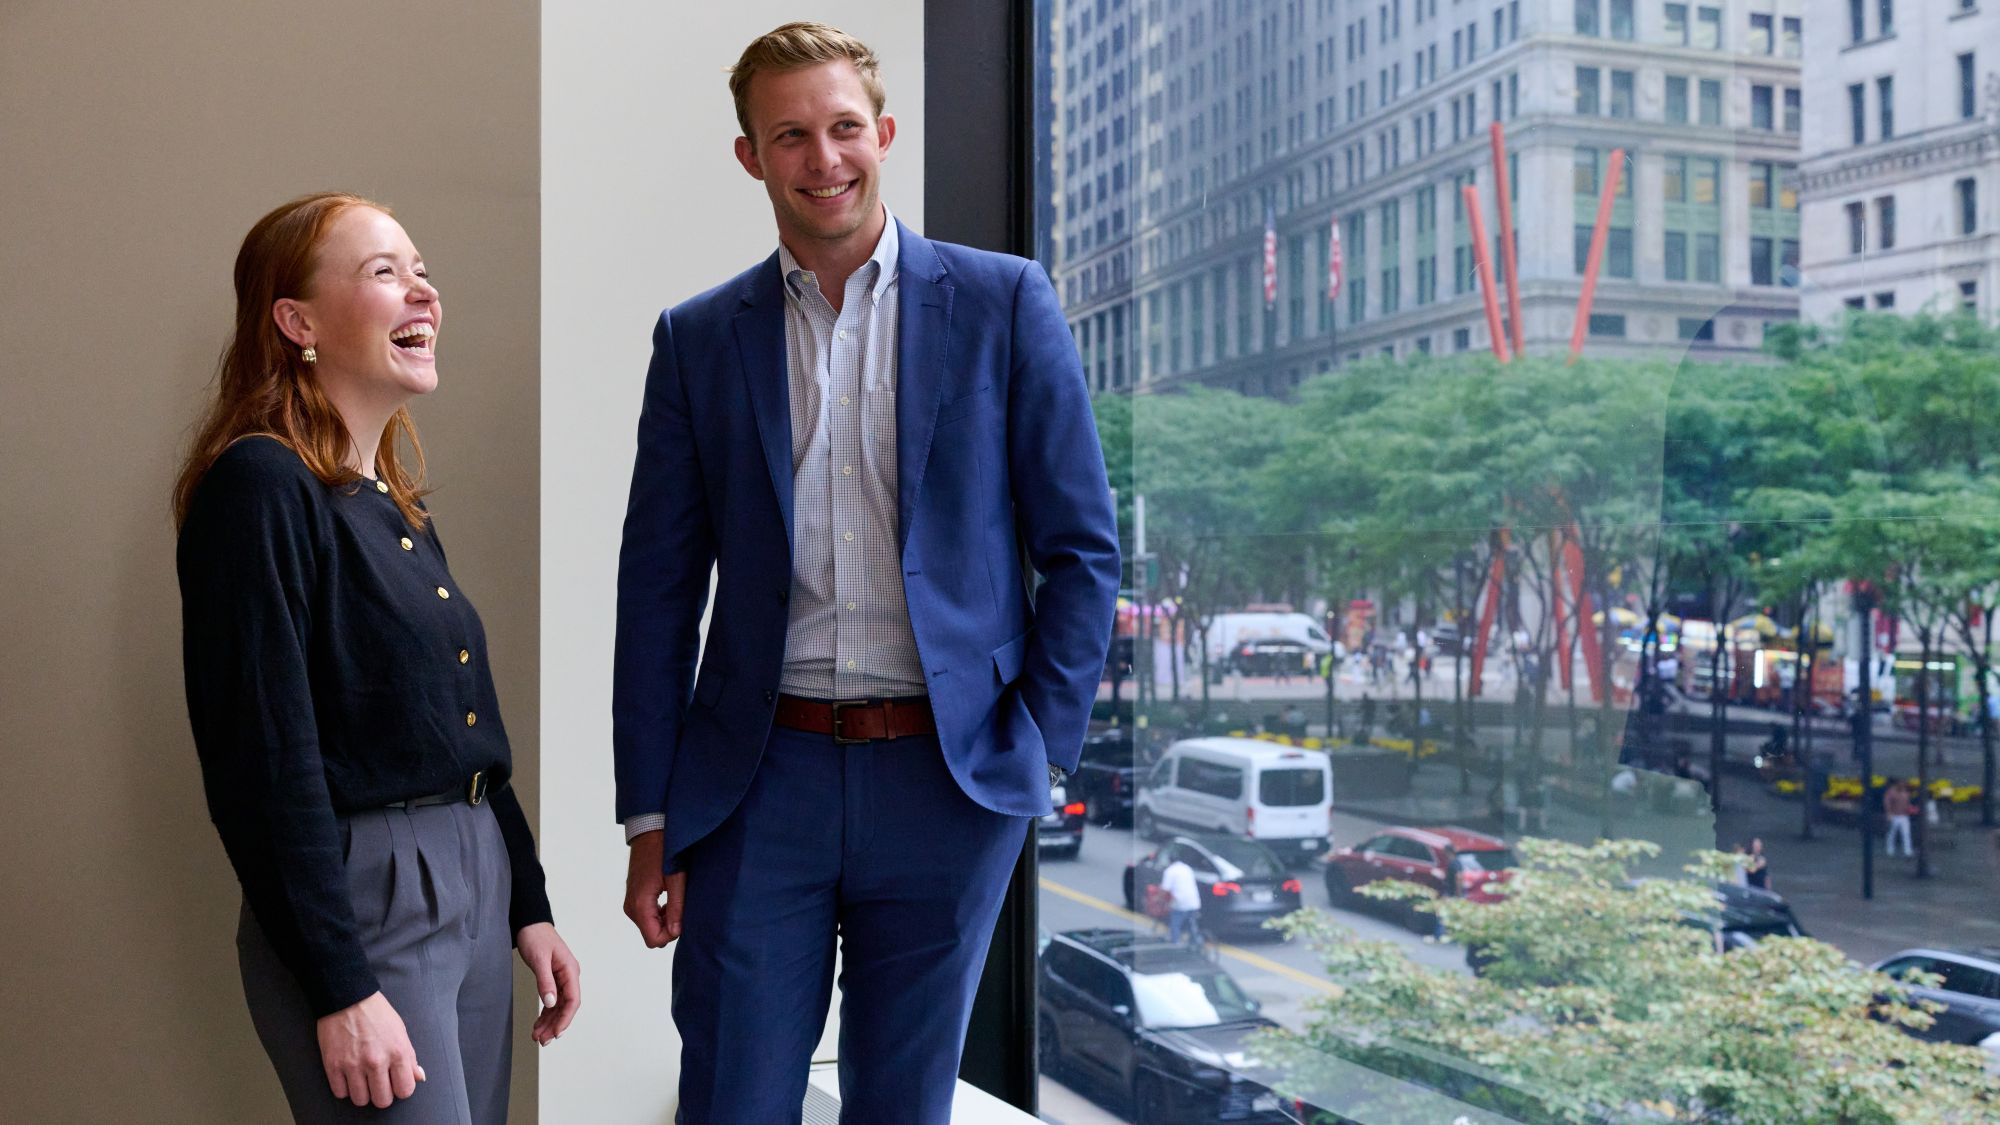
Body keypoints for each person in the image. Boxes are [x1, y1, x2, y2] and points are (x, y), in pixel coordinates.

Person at [611, 24, 1119, 1125]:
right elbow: (655, 593)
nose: (822, 157)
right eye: (789, 135)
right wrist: (649, 816)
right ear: (750, 156)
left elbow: (1081, 550)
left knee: (902, 1107)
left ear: (882, 135)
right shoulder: (697, 341)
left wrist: (1036, 742)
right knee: (731, 1101)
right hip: (758, 785)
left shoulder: (1002, 301)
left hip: (947, 781)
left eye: (843, 128)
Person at [174, 193, 579, 1123]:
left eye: (421, 269)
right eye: (384, 272)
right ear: (297, 322)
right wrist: (339, 985)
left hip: (471, 882)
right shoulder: (261, 486)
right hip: (370, 900)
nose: (423, 291)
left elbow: (462, 729)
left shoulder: (390, 501)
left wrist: (527, 901)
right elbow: (260, 761)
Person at [1159, 854, 1203, 949]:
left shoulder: (1170, 871)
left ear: (1170, 861)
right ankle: (1196, 941)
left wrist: (1160, 899)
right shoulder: (1187, 868)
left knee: (1175, 922)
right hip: (1194, 901)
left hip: (1181, 902)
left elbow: (1165, 889)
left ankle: (1175, 944)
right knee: (1191, 922)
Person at [1884, 780, 1915, 856]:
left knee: (1906, 834)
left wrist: (1910, 808)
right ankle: (1890, 850)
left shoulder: (1906, 792)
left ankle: (1907, 851)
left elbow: (1908, 803)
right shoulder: (1892, 792)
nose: (1903, 784)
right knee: (1892, 833)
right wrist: (1889, 813)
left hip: (1904, 816)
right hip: (1894, 816)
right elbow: (1887, 802)